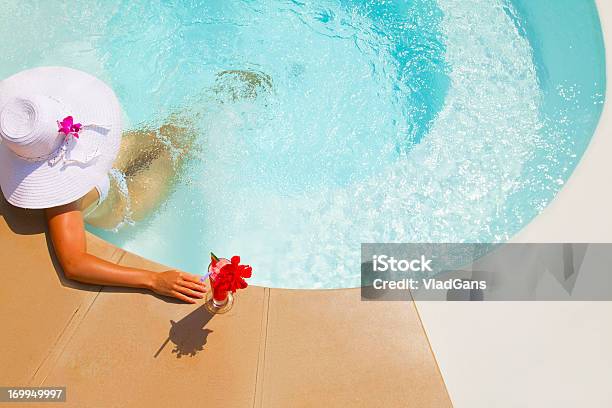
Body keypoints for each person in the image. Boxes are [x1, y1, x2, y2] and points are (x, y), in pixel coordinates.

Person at [0, 66, 207, 303]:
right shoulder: (62, 198)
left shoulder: (21, 134)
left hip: (101, 161)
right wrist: (153, 280)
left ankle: (216, 105)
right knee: (177, 155)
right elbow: (74, 264)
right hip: (122, 199)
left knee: (173, 131)